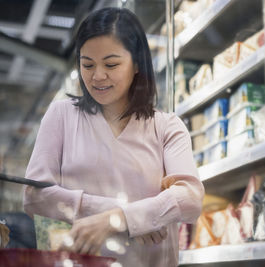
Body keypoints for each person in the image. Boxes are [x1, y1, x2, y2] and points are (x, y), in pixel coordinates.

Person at [23, 7, 204, 267]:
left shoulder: (167, 126)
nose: (97, 76)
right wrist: (125, 216)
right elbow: (34, 195)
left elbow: (190, 198)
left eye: (111, 64)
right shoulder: (61, 116)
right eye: (87, 64)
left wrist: (118, 219)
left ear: (138, 63)